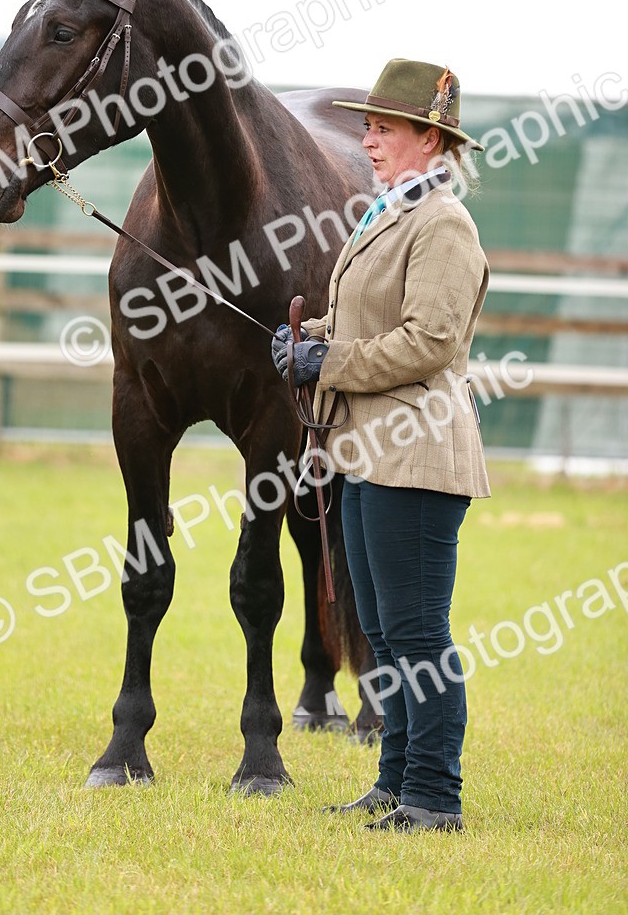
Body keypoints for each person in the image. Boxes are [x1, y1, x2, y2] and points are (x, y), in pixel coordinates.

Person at [272, 58, 490, 833]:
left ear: (430, 139)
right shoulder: (389, 212)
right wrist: (309, 336)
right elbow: (369, 318)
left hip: (419, 453)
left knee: (418, 631)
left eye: (384, 128)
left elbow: (428, 342)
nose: (367, 139)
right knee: (386, 631)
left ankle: (435, 798)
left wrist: (326, 362)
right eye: (365, 126)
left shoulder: (443, 224)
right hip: (367, 451)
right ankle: (395, 782)